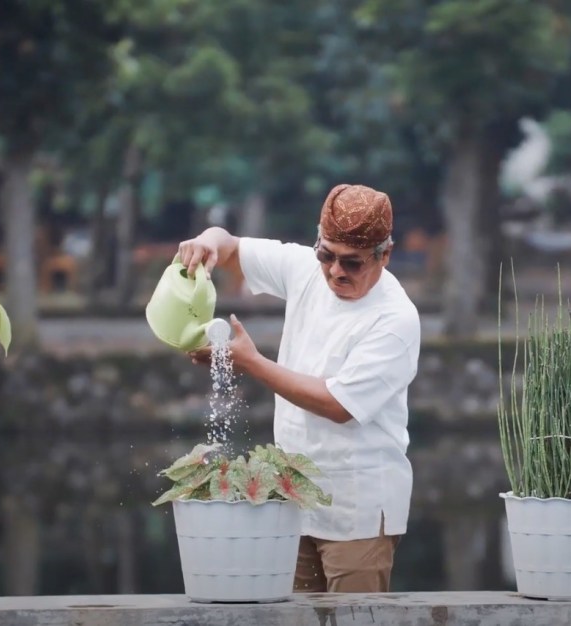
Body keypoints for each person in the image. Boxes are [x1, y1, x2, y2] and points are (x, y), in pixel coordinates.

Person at [177, 183, 420, 593]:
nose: (335, 271)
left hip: (356, 506)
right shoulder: (305, 269)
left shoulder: (395, 319)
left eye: (352, 263)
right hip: (290, 497)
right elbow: (231, 246)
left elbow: (337, 404)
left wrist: (251, 361)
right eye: (326, 255)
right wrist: (206, 243)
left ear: (385, 255)